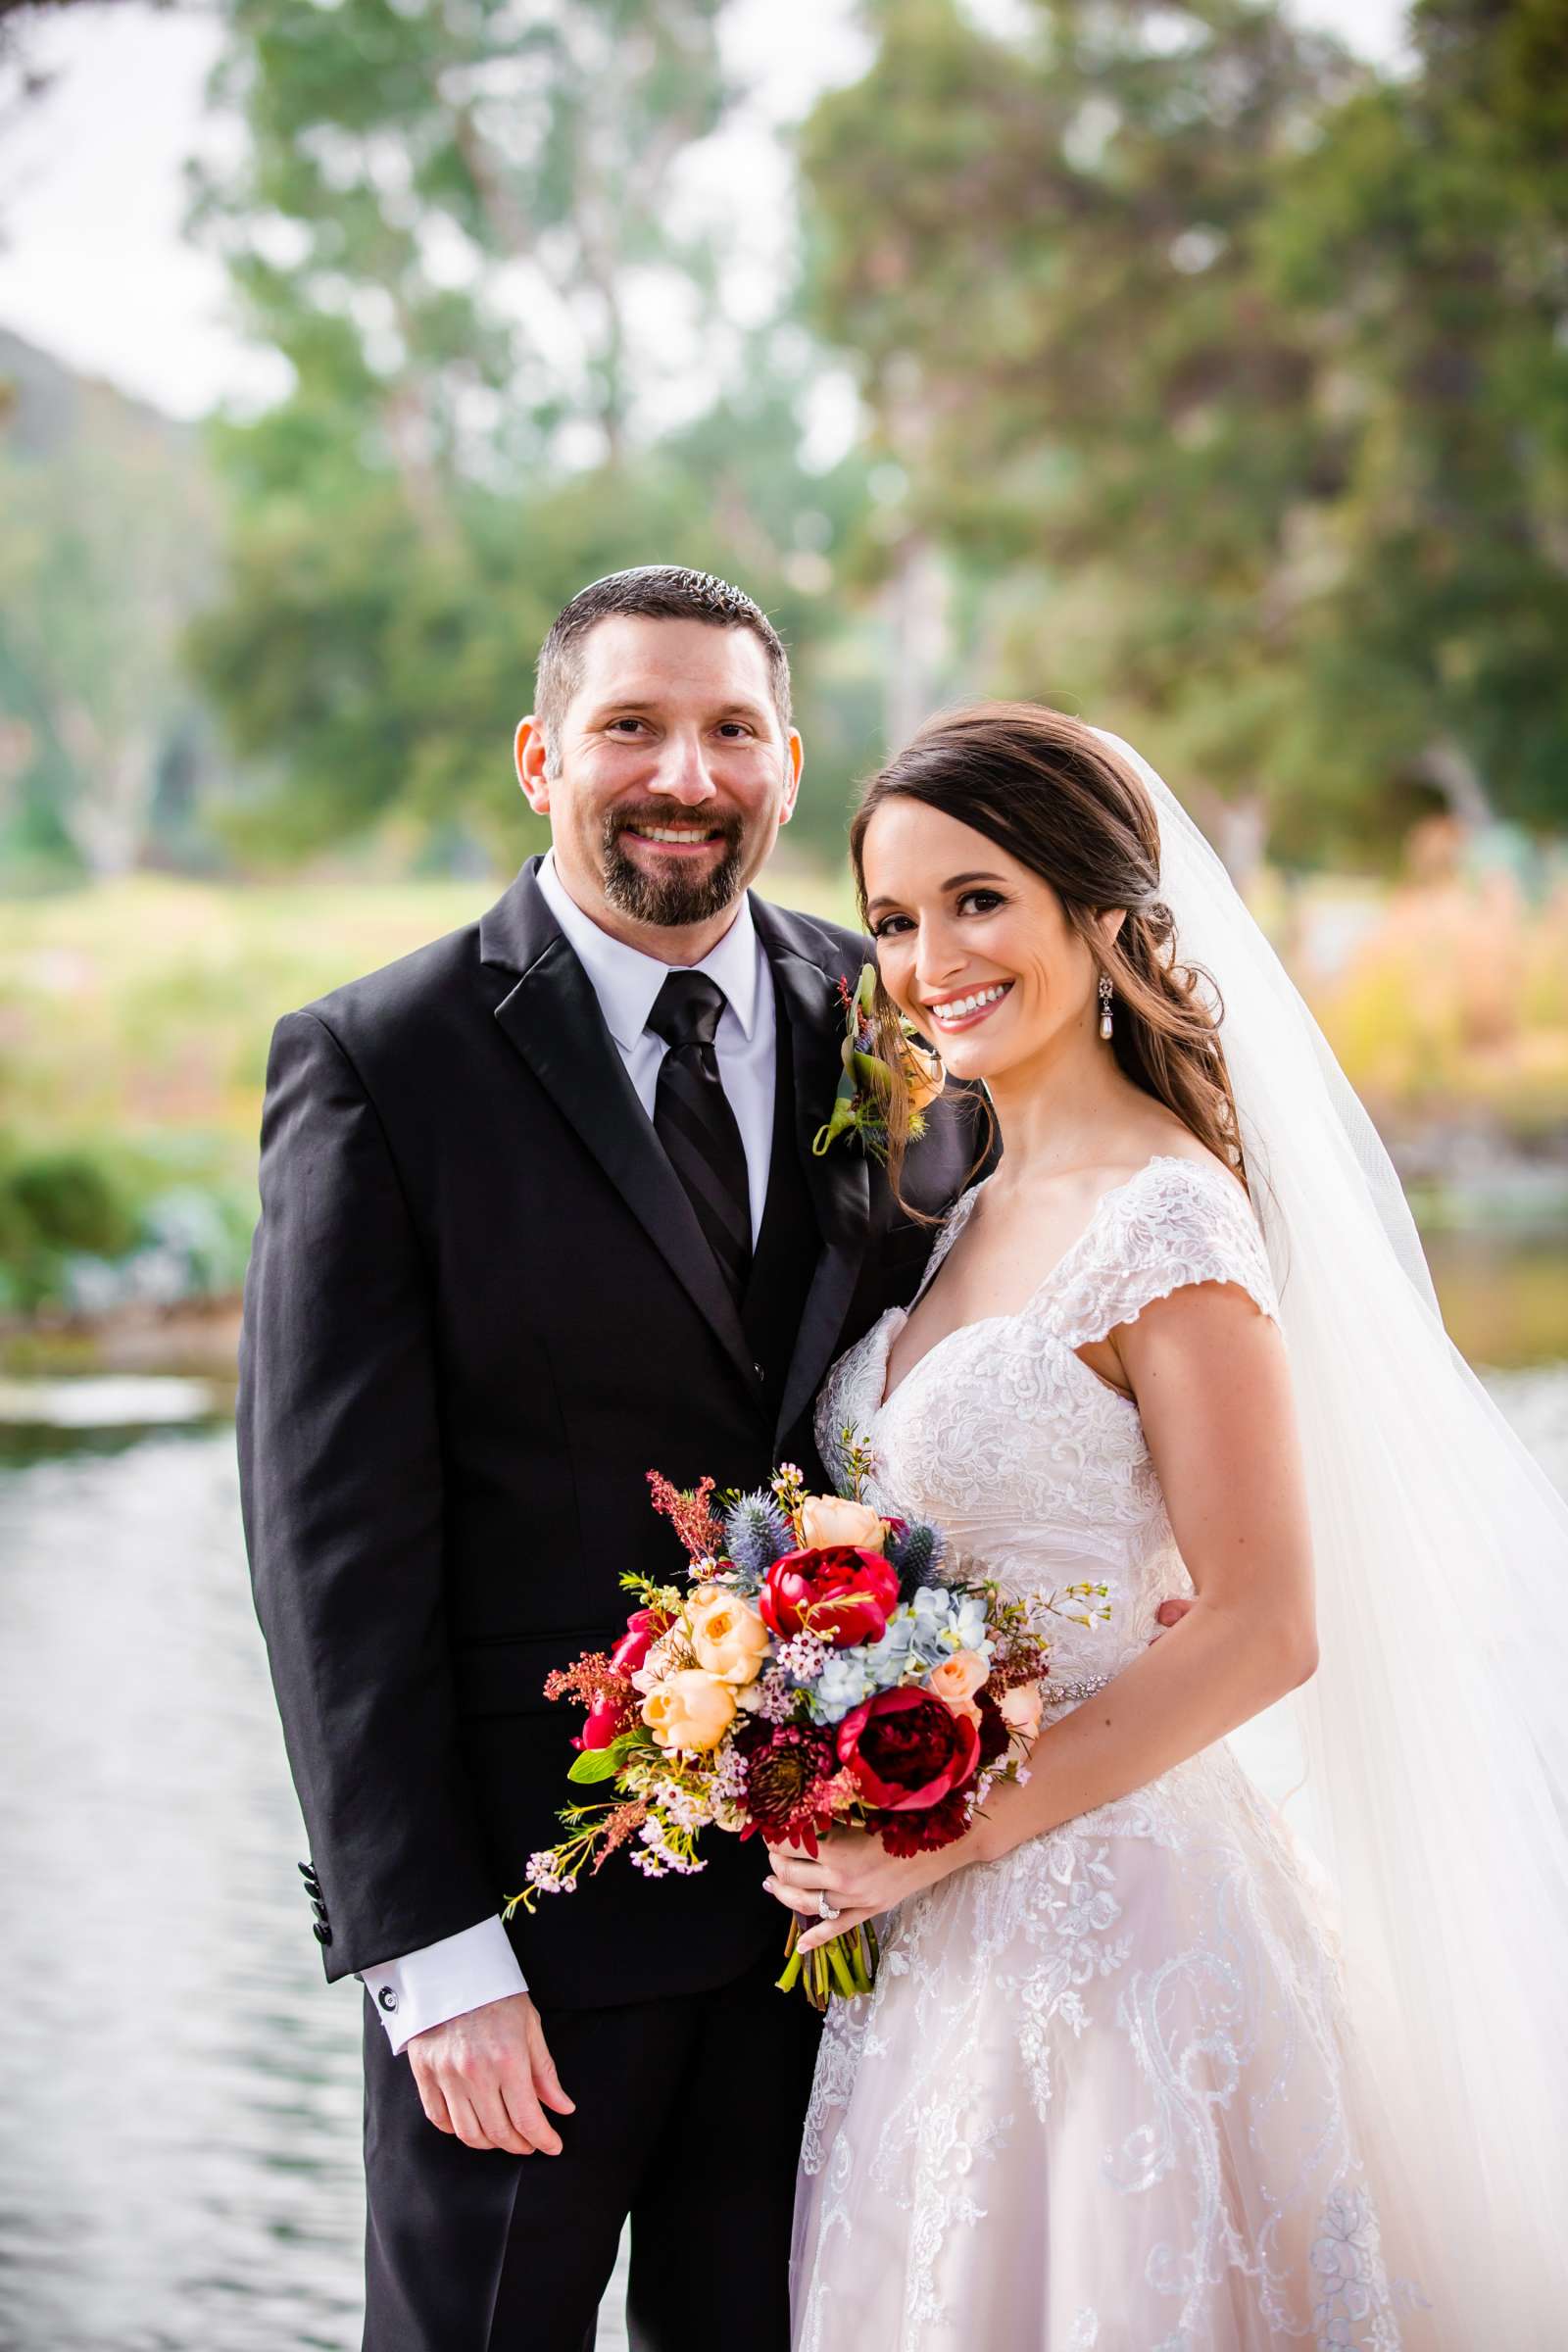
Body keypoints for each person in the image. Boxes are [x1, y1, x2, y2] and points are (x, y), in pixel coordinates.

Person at [234, 565, 979, 2352]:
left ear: (790, 766)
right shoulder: (379, 1063)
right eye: (631, 726)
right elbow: (327, 1557)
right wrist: (432, 1962)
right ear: (538, 756)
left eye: (731, 731)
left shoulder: (890, 1022)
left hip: (829, 1930)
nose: (684, 774)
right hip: (526, 1938)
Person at [768, 704, 1568, 2348]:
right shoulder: (957, 1206)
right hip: (926, 1951)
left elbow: (1269, 1623)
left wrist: (961, 1830)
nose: (931, 959)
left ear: (1100, 914)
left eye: (978, 900)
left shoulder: (1173, 1218)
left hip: (1113, 1918)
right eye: (898, 918)